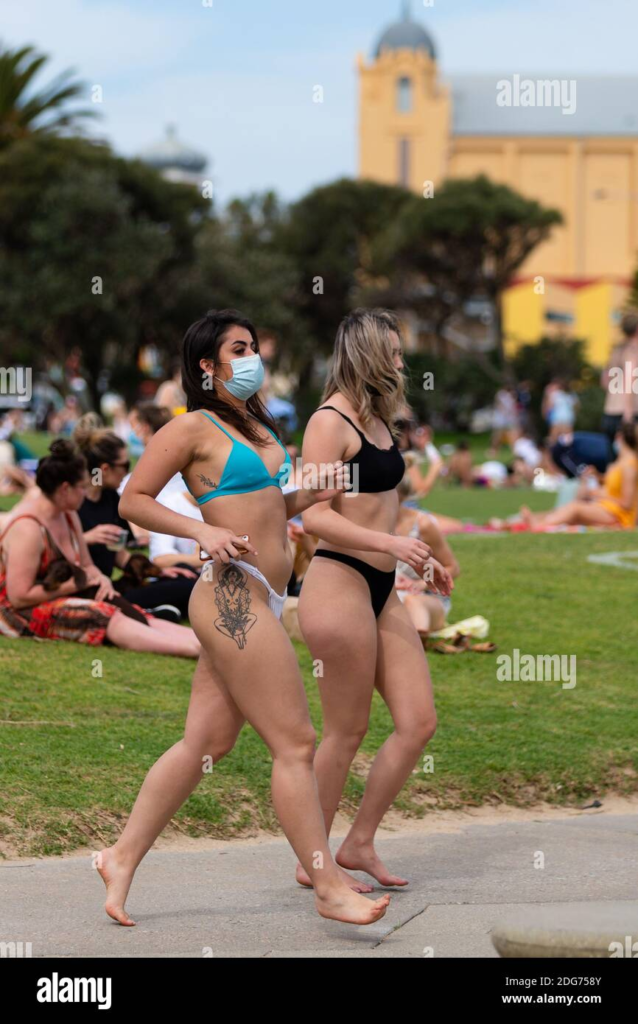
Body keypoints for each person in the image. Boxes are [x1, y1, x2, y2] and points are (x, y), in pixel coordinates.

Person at [96, 308, 391, 928]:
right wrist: (202, 530)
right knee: (296, 742)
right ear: (207, 365)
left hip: (266, 594)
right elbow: (133, 500)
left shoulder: (256, 424)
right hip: (231, 596)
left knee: (207, 742)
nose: (251, 355)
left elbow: (265, 505)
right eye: (238, 348)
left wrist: (306, 496)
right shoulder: (191, 428)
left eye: (253, 345)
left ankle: (120, 857)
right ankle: (326, 882)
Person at [297, 308, 453, 891]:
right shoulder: (328, 422)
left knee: (417, 721)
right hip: (338, 581)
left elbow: (385, 508)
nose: (401, 362)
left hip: (383, 585)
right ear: (365, 353)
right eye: (392, 351)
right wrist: (390, 543)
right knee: (347, 729)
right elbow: (313, 516)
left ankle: (358, 842)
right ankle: (311, 858)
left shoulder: (382, 421)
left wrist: (416, 553)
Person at [0, 441, 199, 657]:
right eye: (82, 487)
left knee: (124, 607)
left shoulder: (68, 515)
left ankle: (208, 646)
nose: (86, 492)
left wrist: (101, 580)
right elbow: (19, 597)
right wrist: (79, 583)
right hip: (17, 612)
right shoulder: (28, 528)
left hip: (56, 595)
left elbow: (87, 565)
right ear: (65, 489)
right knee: (102, 614)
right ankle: (193, 650)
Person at [73, 418, 198, 620]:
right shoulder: (73, 500)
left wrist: (158, 571)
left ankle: (156, 610)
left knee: (183, 572)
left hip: (109, 585)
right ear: (105, 469)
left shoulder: (110, 498)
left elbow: (119, 556)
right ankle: (149, 611)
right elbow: (50, 549)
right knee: (189, 586)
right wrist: (88, 538)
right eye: (125, 465)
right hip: (87, 589)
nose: (128, 472)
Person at [521, 422, 638, 529]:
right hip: (608, 508)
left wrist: (598, 494)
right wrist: (598, 476)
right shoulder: (619, 463)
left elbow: (626, 503)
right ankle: (535, 520)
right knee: (570, 510)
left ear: (620, 437)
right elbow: (613, 485)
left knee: (575, 508)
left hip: (620, 515)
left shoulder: (629, 466)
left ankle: (539, 525)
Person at [394, 469, 460, 638]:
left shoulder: (422, 524)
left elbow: (452, 567)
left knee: (412, 602)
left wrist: (422, 584)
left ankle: (418, 641)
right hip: (390, 593)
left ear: (400, 495)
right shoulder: (373, 524)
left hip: (425, 597)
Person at [601, 313, 638, 441]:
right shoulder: (633, 351)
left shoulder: (616, 351)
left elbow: (605, 381)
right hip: (627, 414)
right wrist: (628, 416)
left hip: (610, 411)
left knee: (613, 459)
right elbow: (630, 381)